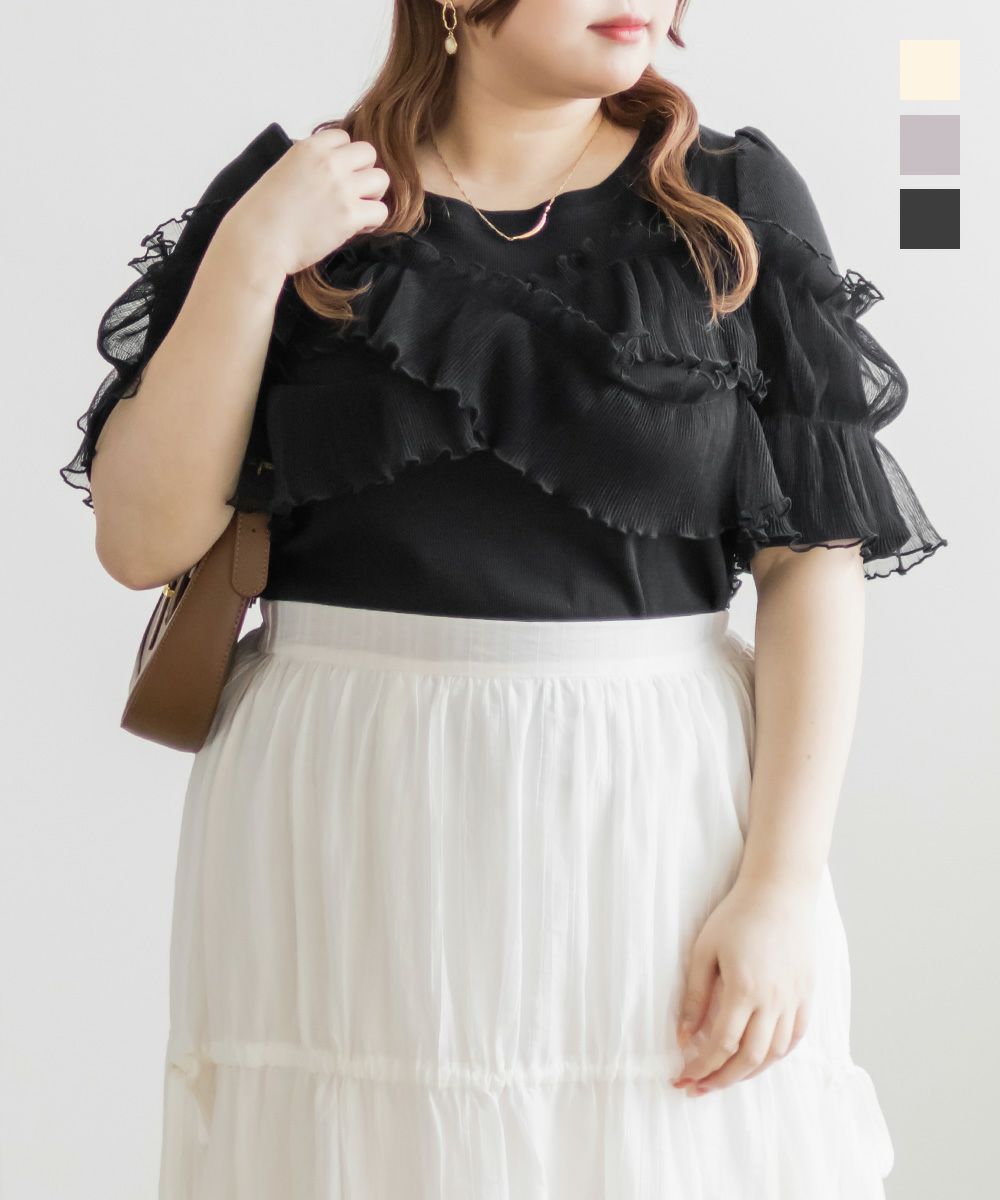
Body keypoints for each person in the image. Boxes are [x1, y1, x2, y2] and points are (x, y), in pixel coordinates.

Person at [60, 2, 947, 1196]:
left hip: (646, 811)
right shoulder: (296, 199)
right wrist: (250, 256)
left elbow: (812, 560)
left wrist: (781, 886)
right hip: (345, 813)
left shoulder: (728, 204)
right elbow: (141, 541)